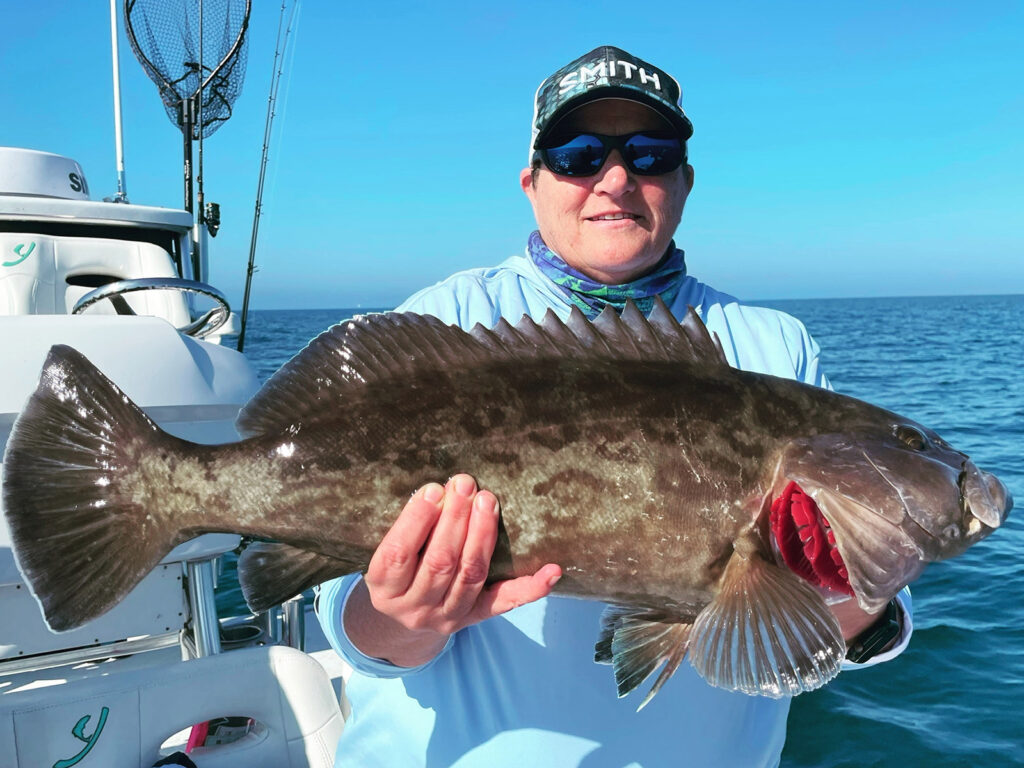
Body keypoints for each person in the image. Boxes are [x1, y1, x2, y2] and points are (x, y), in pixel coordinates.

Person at [317, 46, 912, 767]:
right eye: (577, 154)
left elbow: (829, 636)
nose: (617, 179)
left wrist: (857, 583)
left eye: (651, 153)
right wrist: (401, 614)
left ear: (685, 181)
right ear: (531, 183)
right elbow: (356, 635)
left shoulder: (772, 348)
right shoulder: (450, 322)